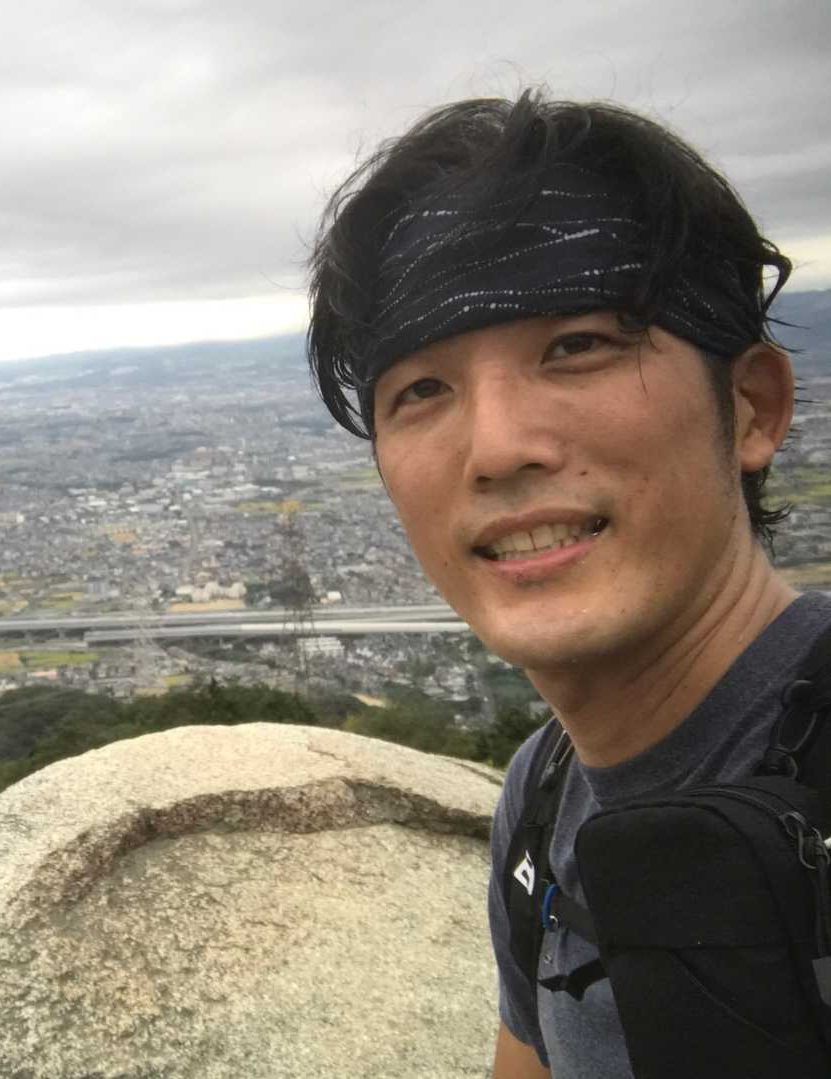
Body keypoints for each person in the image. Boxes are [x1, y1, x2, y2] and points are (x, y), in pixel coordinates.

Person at [305, 90, 831, 1078]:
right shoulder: (543, 799)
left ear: (751, 407)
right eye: (421, 389)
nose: (498, 447)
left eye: (577, 345)